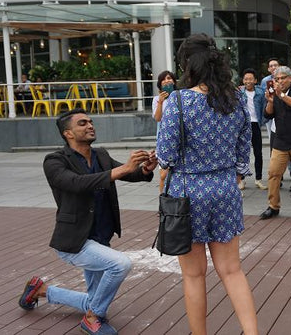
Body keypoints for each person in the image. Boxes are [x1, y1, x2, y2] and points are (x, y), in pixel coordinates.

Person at [18, 108, 157, 335]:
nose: (90, 125)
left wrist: (144, 170)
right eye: (82, 123)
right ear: (68, 133)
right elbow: (77, 183)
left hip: (101, 238)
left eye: (91, 122)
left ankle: (40, 290)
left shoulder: (100, 155)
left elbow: (126, 173)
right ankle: (91, 319)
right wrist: (123, 168)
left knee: (95, 299)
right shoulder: (54, 161)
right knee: (120, 264)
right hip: (75, 241)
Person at [156, 33, 258, 335]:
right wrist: (232, 173)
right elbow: (244, 150)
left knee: (194, 276)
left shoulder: (178, 101)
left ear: (187, 65)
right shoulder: (236, 98)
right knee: (232, 270)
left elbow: (166, 155)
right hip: (225, 189)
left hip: (187, 193)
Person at [259, 66, 291, 222]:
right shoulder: (274, 93)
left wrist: (280, 95)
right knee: (273, 173)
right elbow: (267, 114)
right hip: (280, 140)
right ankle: (273, 206)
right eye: (277, 79)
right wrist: (270, 101)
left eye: (283, 78)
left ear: (290, 78)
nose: (280, 81)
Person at [240, 68, 268, 190]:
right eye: (246, 79)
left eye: (250, 79)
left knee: (258, 153)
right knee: (241, 153)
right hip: (243, 125)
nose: (248, 81)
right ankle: (241, 180)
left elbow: (265, 107)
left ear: (255, 80)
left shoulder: (261, 93)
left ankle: (258, 179)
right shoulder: (239, 92)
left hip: (256, 124)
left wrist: (263, 121)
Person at [152, 70, 176, 193]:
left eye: (169, 78)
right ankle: (163, 203)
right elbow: (157, 118)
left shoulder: (179, 96)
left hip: (177, 140)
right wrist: (160, 102)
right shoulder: (157, 99)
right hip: (163, 140)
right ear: (160, 84)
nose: (167, 81)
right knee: (163, 175)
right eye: (164, 79)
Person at [260, 57, 280, 140]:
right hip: (270, 108)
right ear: (268, 69)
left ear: (279, 66)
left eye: (275, 65)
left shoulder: (284, 78)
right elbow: (262, 96)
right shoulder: (265, 80)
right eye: (271, 66)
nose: (273, 67)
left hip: (282, 109)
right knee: (271, 136)